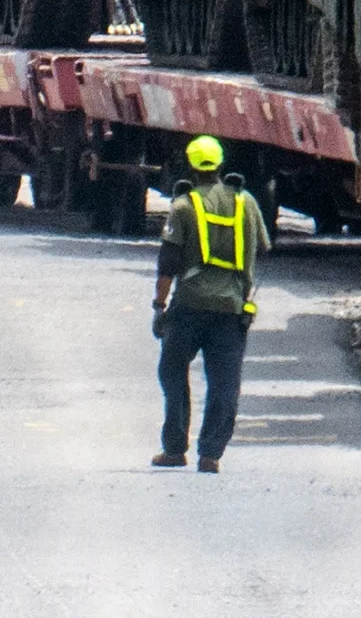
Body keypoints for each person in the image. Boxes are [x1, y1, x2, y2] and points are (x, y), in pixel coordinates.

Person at [150, 134, 269, 474]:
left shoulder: (183, 206)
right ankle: (211, 453)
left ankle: (174, 449)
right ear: (220, 165)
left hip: (188, 307)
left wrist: (159, 306)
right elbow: (264, 247)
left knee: (172, 371)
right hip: (231, 310)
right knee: (224, 383)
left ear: (190, 165)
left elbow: (167, 263)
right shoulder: (245, 202)